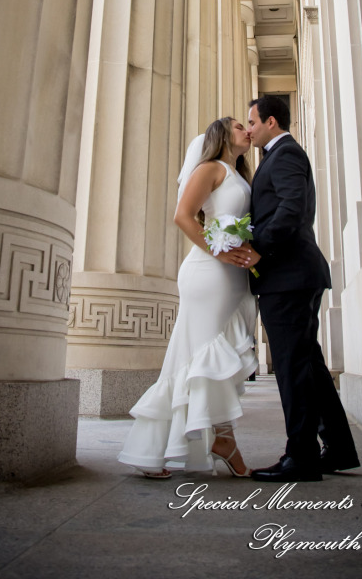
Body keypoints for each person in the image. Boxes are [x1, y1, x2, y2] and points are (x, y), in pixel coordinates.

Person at [118, 117, 258, 478]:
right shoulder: (210, 168)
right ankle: (154, 449)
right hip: (208, 272)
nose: (246, 129)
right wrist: (219, 249)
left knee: (216, 355)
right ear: (222, 136)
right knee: (195, 355)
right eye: (239, 125)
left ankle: (224, 437)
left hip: (233, 276)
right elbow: (182, 216)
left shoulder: (239, 173)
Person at [244, 95, 360, 482]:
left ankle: (302, 455)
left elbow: (292, 210)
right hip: (295, 275)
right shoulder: (279, 155)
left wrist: (257, 246)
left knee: (293, 369)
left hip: (288, 276)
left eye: (253, 122)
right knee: (308, 365)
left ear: (272, 122)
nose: (249, 129)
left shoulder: (286, 154)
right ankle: (339, 448)